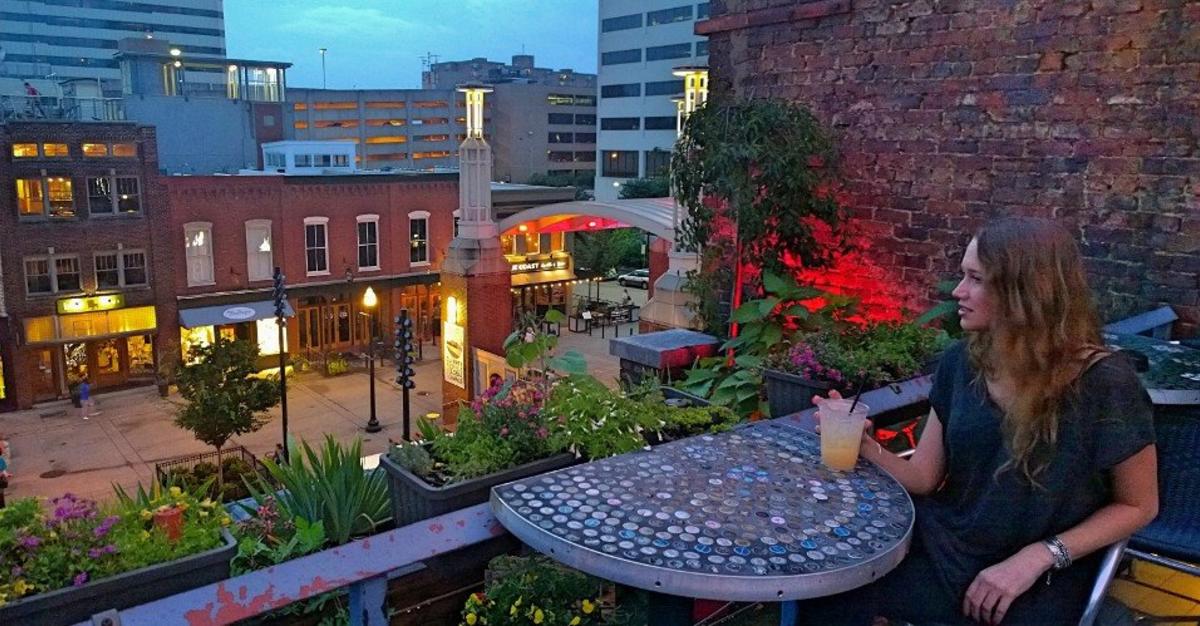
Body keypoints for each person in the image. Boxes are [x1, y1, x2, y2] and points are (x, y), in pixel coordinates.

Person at [796, 217, 1159, 626]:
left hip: (1043, 572)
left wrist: (1039, 556)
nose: (957, 292)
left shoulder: (1105, 383)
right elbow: (924, 477)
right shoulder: (961, 361)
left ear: (1025, 292)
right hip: (949, 544)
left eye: (975, 279)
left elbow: (1139, 504)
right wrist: (865, 446)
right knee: (831, 592)